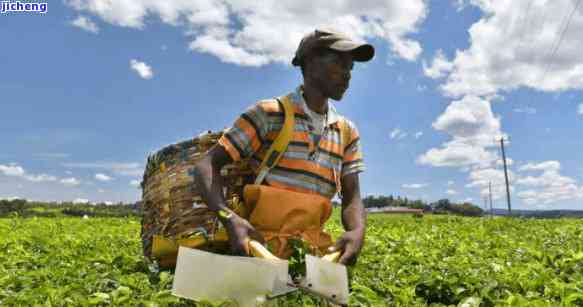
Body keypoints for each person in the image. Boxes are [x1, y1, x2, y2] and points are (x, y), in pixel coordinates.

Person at [193, 29, 374, 265]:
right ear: (309, 62)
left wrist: (357, 231)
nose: (347, 74)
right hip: (256, 251)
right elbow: (206, 165)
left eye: (350, 67)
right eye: (339, 62)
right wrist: (229, 218)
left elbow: (352, 196)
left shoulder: (346, 131)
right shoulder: (270, 114)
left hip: (313, 255)